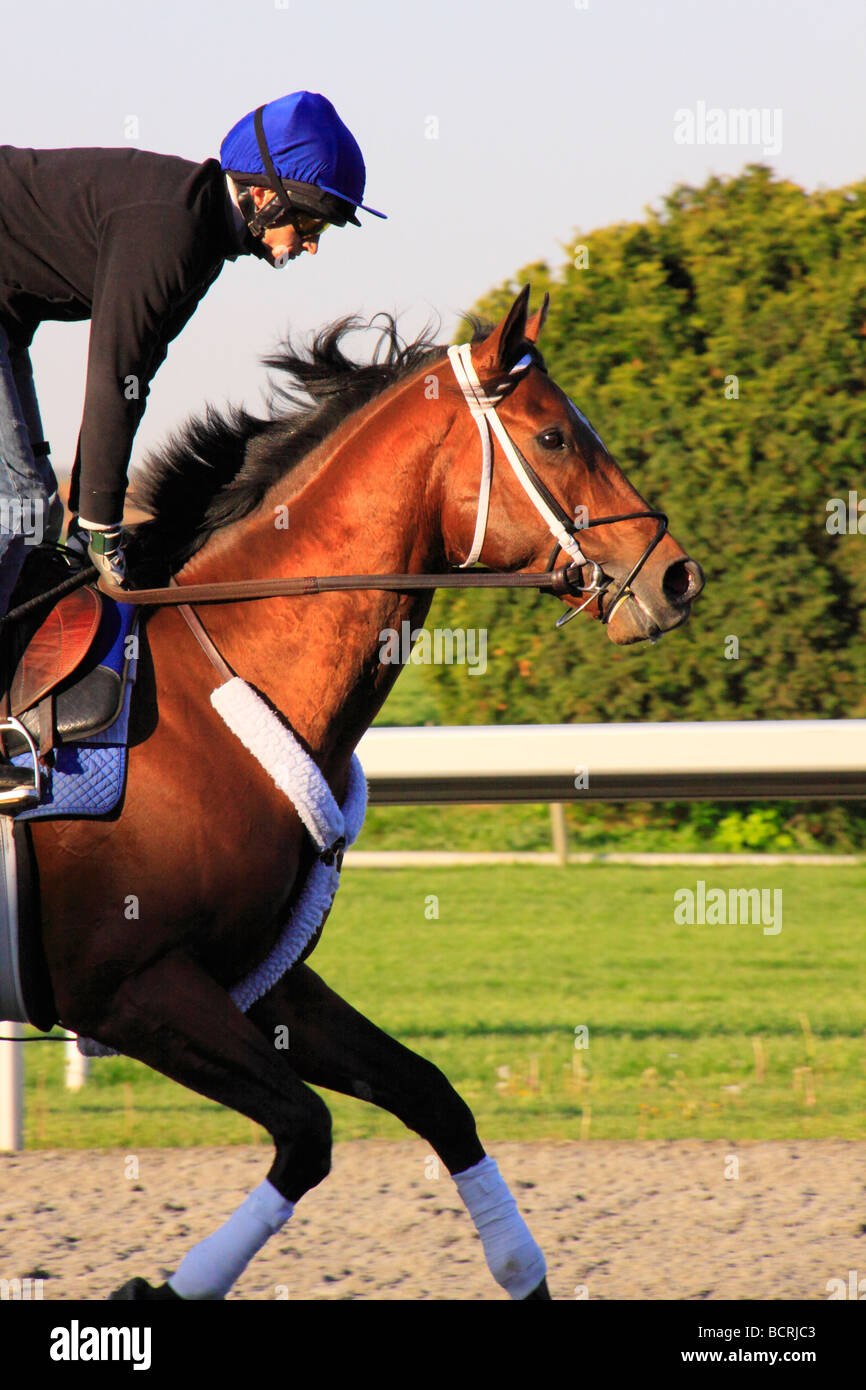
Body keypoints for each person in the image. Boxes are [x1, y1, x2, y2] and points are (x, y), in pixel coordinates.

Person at [0, 90, 385, 809]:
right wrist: (101, 523)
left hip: (6, 309)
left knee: (31, 512)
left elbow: (132, 379)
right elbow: (113, 375)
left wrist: (93, 515)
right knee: (18, 502)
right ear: (266, 197)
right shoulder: (171, 232)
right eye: (312, 221)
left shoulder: (200, 235)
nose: (312, 242)